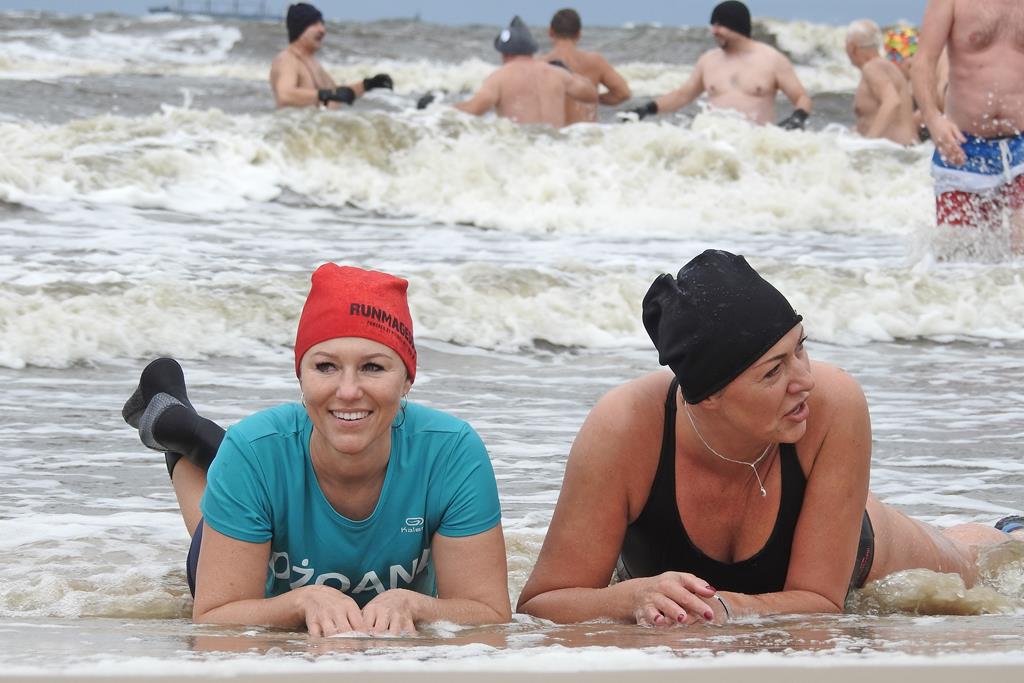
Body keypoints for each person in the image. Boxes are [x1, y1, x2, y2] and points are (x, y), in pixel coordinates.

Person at [516, 250, 1023, 625]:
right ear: (708, 397)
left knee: (976, 562)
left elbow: (820, 605)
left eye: (801, 348)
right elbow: (543, 603)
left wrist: (723, 609)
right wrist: (628, 598)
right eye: (773, 370)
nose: (805, 379)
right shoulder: (626, 428)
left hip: (860, 554)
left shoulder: (832, 404)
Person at [122, 264, 511, 636]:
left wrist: (415, 604)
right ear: (301, 375)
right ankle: (177, 430)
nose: (348, 390)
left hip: (265, 463)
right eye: (325, 367)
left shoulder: (451, 452)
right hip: (264, 599)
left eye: (373, 367)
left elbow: (490, 615)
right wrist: (299, 602)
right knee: (232, 484)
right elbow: (214, 619)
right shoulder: (253, 449)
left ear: (407, 379)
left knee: (249, 466)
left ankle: (190, 433)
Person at [911, 0, 1024, 252]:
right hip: (962, 146)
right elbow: (923, 62)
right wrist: (933, 119)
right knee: (959, 260)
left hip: (1022, 143)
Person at [625, 2, 812, 129]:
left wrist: (798, 118)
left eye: (719, 25)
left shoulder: (771, 59)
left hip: (755, 143)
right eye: (713, 25)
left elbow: (801, 97)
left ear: (737, 26)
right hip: (717, 144)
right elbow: (682, 96)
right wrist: (646, 109)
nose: (713, 31)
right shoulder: (708, 60)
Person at [417, 16, 598, 128]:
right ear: (531, 50)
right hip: (554, 152)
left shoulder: (500, 77)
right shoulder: (557, 74)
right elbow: (591, 95)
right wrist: (569, 72)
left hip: (523, 152)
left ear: (504, 53)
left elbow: (474, 109)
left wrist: (437, 109)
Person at [270, 3, 394, 109]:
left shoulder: (313, 63)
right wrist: (324, 94)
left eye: (322, 24)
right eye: (314, 24)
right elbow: (285, 95)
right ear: (299, 28)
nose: (322, 30)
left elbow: (337, 93)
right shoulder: (287, 59)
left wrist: (367, 85)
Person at [538, 8, 632, 124]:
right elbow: (623, 93)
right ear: (579, 34)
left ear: (550, 32)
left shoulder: (539, 64)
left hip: (552, 133)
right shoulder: (595, 61)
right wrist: (592, 98)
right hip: (585, 131)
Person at [846, 20, 918, 146]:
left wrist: (868, 142)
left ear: (852, 47)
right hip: (906, 148)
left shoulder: (872, 67)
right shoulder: (885, 67)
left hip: (895, 150)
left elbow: (892, 102)